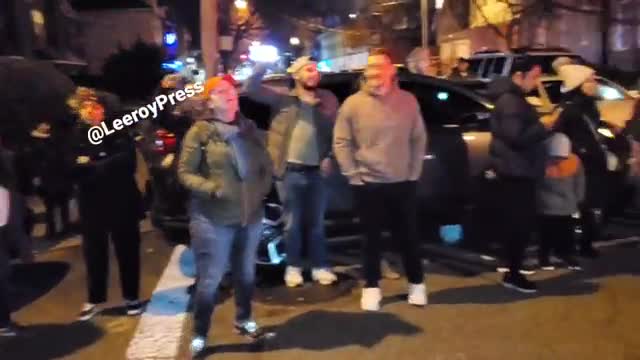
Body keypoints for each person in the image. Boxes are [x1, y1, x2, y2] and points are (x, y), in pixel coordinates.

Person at [178, 75, 274, 356]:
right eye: (220, 91)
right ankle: (199, 333)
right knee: (210, 280)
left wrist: (261, 190)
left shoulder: (249, 128)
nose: (229, 93)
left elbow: (265, 166)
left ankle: (244, 320)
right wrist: (212, 188)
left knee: (246, 275)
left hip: (250, 217)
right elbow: (184, 173)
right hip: (213, 220)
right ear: (210, 101)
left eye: (231, 89)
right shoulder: (200, 132)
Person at [334, 48, 428, 311]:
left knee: (409, 237)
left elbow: (419, 137)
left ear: (392, 71)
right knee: (370, 239)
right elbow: (341, 142)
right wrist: (352, 174)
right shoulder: (353, 104)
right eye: (370, 68)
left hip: (402, 182)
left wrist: (414, 171)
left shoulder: (408, 101)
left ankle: (417, 284)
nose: (374, 72)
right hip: (368, 183)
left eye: (380, 67)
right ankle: (372, 287)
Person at [245, 56, 338, 288]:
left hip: (317, 172)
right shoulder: (282, 100)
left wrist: (330, 157)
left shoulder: (326, 101)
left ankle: (320, 266)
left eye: (316, 70)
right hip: (289, 172)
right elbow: (251, 88)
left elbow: (337, 132)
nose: (314, 73)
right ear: (296, 75)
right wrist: (263, 63)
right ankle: (293, 267)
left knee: (317, 223)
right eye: (308, 70)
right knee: (292, 223)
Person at [67, 89, 144, 321]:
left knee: (128, 251)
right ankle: (95, 299)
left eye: (96, 106)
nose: (92, 110)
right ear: (79, 110)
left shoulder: (117, 130)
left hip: (123, 201)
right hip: (91, 205)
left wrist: (93, 165)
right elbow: (71, 169)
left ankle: (132, 297)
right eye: (86, 107)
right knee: (94, 254)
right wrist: (100, 165)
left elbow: (127, 161)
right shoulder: (74, 135)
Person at [487, 57, 548, 293]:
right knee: (518, 224)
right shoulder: (511, 101)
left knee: (517, 223)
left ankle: (513, 267)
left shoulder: (514, 99)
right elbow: (517, 137)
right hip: (516, 171)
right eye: (533, 77)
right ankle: (513, 273)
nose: (537, 82)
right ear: (518, 76)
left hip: (518, 170)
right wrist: (544, 126)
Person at [553, 65, 609, 259]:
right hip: (580, 163)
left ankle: (586, 242)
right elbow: (560, 134)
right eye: (591, 80)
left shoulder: (590, 106)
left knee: (590, 203)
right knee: (579, 203)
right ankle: (572, 245)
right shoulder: (571, 109)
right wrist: (579, 150)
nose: (595, 83)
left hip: (593, 161)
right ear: (580, 84)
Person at [537, 133, 585, 271]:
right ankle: (563, 254)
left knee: (548, 234)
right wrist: (578, 198)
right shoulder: (575, 161)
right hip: (565, 205)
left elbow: (536, 183)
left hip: (547, 206)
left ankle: (545, 257)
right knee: (564, 233)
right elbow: (580, 182)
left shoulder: (541, 160)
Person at [30, 123, 73, 239]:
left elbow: (38, 169)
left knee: (51, 208)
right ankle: (64, 228)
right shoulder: (57, 147)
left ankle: (54, 231)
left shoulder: (39, 150)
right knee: (61, 207)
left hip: (50, 183)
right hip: (59, 182)